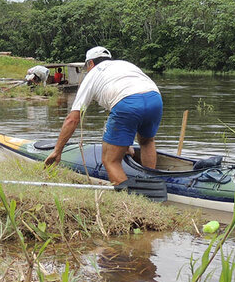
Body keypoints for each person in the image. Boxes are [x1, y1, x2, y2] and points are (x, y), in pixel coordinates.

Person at [43, 46, 163, 184]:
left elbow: (72, 119)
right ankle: (150, 183)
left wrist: (57, 151)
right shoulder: (124, 64)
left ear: (91, 63)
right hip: (155, 98)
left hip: (126, 102)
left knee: (110, 160)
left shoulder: (93, 74)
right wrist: (125, 143)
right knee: (147, 141)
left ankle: (132, 196)